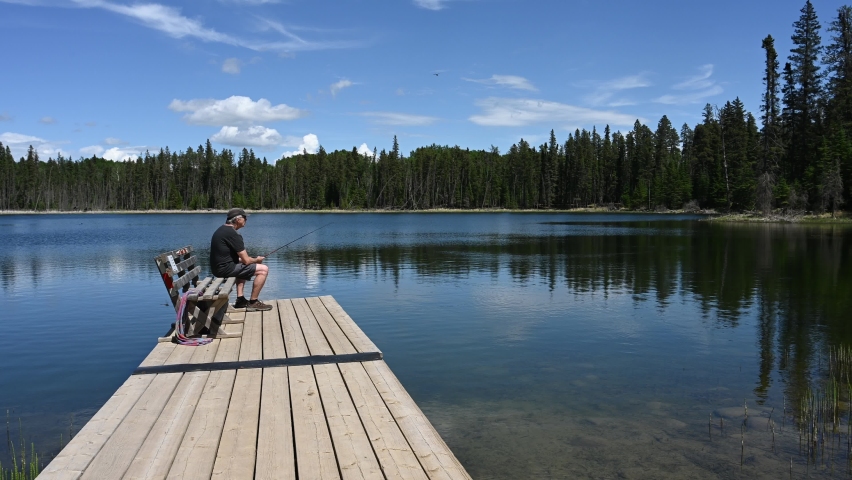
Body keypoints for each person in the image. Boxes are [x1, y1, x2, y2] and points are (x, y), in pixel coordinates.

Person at [209, 207, 272, 311]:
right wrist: (257, 260)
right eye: (245, 218)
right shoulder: (233, 234)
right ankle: (253, 302)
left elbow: (237, 258)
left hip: (219, 268)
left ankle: (240, 299)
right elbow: (247, 260)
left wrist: (251, 260)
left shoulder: (222, 229)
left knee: (244, 265)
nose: (246, 220)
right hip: (224, 269)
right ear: (238, 220)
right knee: (263, 269)